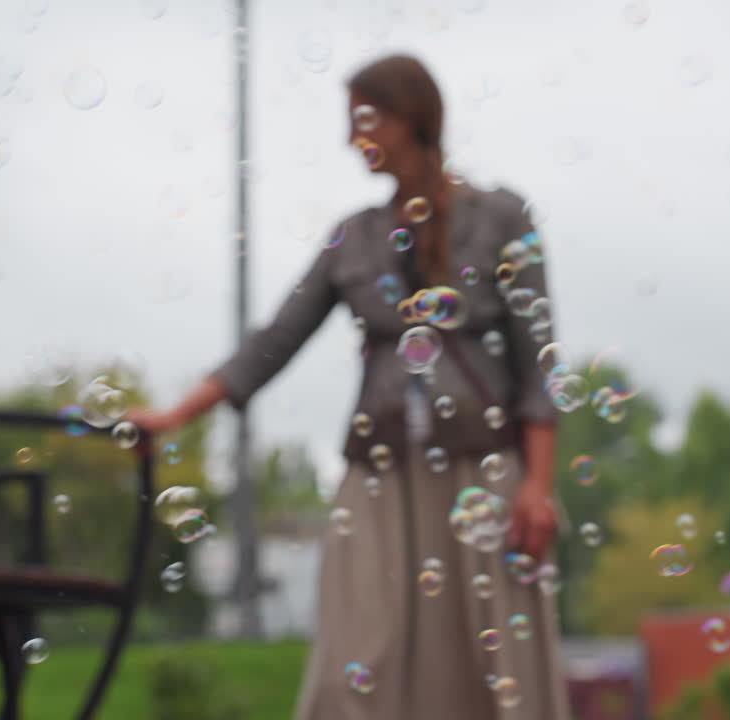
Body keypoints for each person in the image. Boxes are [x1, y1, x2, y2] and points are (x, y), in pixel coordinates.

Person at [128, 55, 570, 719]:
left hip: (484, 470)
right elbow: (273, 342)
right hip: (378, 477)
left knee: (492, 663)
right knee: (354, 659)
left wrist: (537, 485)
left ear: (409, 117)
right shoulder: (355, 238)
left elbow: (538, 361)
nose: (350, 139)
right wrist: (175, 416)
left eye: (364, 119)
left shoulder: (500, 217)